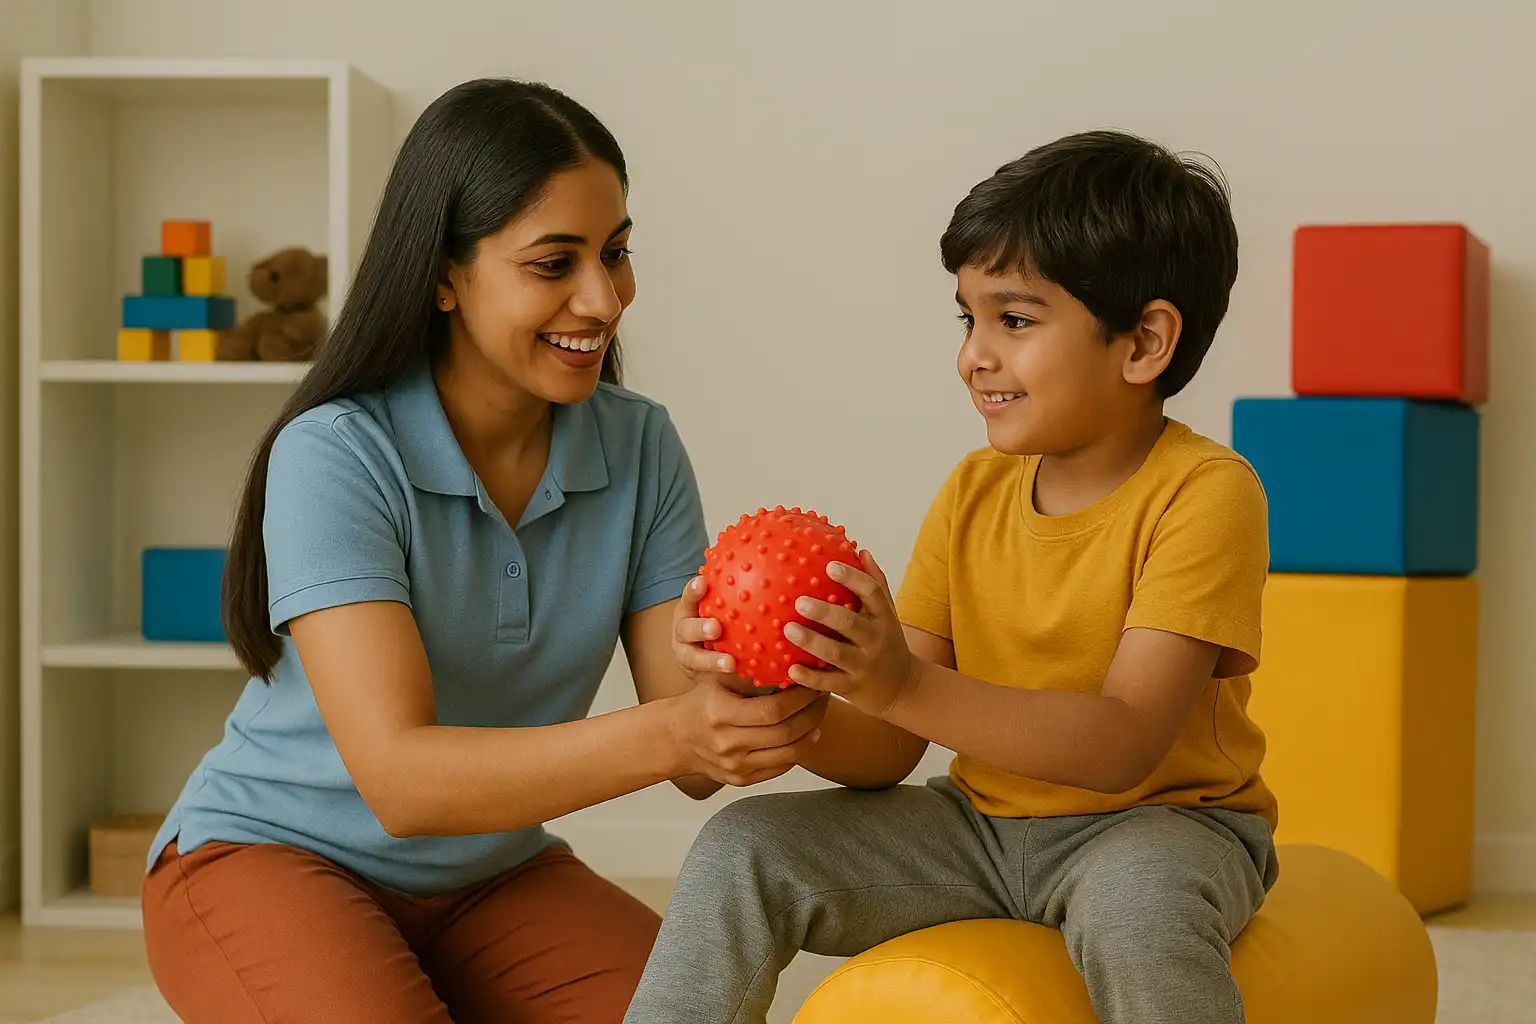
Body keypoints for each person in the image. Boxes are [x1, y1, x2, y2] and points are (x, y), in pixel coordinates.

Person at [139, 78, 828, 1024]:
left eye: (616, 253)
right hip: (270, 854)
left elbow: (695, 751)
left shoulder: (638, 444)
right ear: (444, 275)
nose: (605, 297)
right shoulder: (335, 452)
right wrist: (674, 732)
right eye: (555, 263)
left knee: (694, 1010)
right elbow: (402, 783)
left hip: (491, 876)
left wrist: (783, 673)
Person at [624, 129, 1279, 1024]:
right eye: (968, 318)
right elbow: (891, 744)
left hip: (1159, 826)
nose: (974, 354)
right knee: (743, 844)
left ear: (1144, 343)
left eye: (1015, 319)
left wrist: (900, 680)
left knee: (1139, 911)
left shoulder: (1208, 495)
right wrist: (792, 685)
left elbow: (1123, 742)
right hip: (975, 828)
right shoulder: (974, 490)